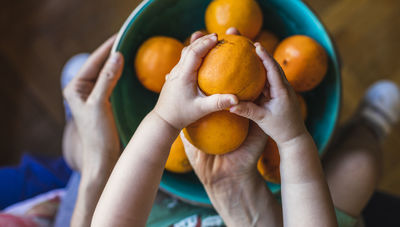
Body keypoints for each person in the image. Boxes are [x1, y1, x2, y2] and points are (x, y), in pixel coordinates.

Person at [57, 29, 400, 226]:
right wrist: (292, 139)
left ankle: (80, 110)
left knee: (84, 147)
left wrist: (164, 121)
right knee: (359, 166)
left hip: (152, 211)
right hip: (263, 218)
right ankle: (370, 124)